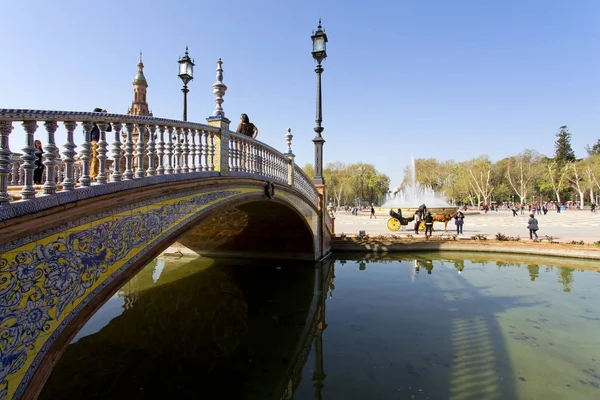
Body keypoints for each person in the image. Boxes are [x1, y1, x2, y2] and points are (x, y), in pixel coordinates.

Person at [89, 108, 112, 180]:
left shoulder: (95, 121)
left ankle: (92, 175)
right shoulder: (94, 121)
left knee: (94, 158)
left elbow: (109, 129)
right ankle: (93, 175)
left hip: (94, 141)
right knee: (95, 158)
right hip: (95, 141)